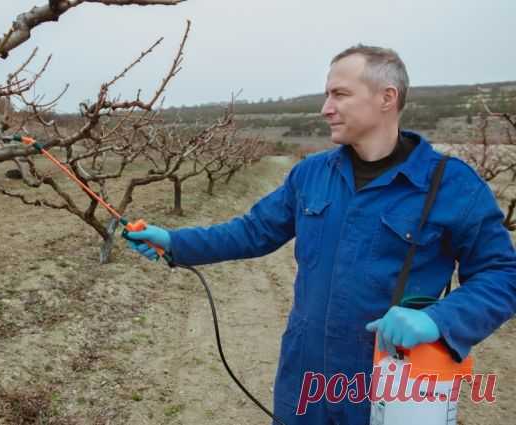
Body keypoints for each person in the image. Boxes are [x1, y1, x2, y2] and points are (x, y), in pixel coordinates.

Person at [125, 44, 516, 424]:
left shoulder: (452, 186)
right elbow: (253, 231)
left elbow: (502, 273)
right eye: (327, 94)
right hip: (305, 377)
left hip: (391, 381)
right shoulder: (311, 174)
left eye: (340, 94)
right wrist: (175, 242)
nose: (325, 108)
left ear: (387, 97)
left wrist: (440, 319)